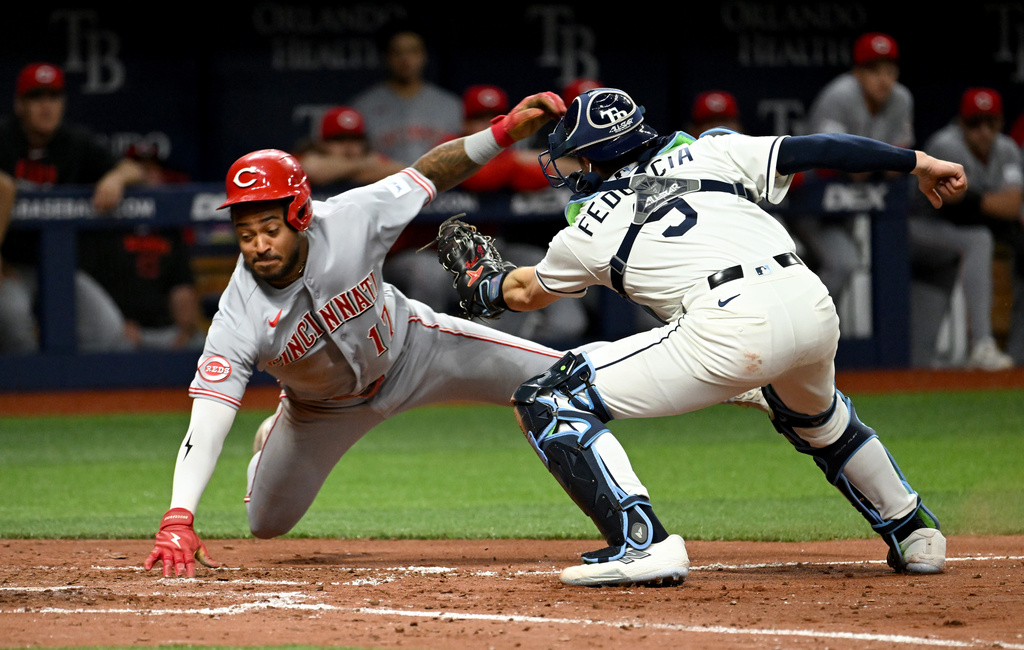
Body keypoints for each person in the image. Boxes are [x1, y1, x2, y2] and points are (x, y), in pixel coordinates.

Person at [442, 87, 954, 587]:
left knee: (548, 398)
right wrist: (919, 162)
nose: (572, 171)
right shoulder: (711, 148)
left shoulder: (589, 225)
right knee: (818, 421)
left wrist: (481, 286)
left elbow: (523, 292)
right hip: (810, 302)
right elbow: (820, 148)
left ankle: (641, 543)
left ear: (597, 157)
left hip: (728, 325)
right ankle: (914, 531)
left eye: (576, 159)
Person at [141, 90, 573, 579]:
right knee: (265, 523)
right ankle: (272, 436)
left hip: (416, 350)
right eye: (245, 233)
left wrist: (499, 134)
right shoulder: (237, 315)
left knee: (565, 380)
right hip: (320, 410)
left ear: (299, 214)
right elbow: (209, 418)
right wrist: (179, 514)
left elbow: (428, 173)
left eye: (269, 227)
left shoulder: (352, 218)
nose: (258, 246)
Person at [0, 62, 146, 354]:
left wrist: (115, 178)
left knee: (109, 332)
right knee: (13, 323)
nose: (46, 107)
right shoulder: (4, 138)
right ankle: (30, 397)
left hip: (58, 267)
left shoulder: (74, 142)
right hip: (10, 268)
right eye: (36, 98)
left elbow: (134, 169)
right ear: (19, 105)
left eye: (53, 98)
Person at [789, 32, 914, 313]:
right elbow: (832, 161)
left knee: (836, 264)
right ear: (857, 72)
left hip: (845, 205)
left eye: (890, 70)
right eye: (874, 70)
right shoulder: (839, 95)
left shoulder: (901, 99)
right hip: (809, 200)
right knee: (842, 262)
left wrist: (864, 162)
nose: (884, 79)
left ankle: (804, 336)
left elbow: (896, 165)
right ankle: (799, 330)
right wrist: (874, 163)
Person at [908, 88, 1019, 370]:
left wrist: (976, 199)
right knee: (979, 240)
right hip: (916, 228)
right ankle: (982, 344)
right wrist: (988, 200)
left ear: (1000, 123)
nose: (983, 131)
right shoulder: (946, 144)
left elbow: (1011, 205)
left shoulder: (1006, 149)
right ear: (962, 123)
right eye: (974, 123)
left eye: (990, 122)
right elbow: (952, 197)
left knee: (919, 359)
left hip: (949, 240)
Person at [349, 23, 463, 166]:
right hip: (385, 184)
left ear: (424, 55)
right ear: (386, 57)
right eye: (397, 52)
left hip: (440, 185)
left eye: (413, 51)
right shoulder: (362, 106)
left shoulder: (450, 105)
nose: (405, 59)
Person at [294, 105, 404, 189]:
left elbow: (401, 171)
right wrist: (363, 165)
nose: (348, 146)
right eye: (339, 139)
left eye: (355, 139)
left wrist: (339, 172)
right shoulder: (302, 158)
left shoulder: (374, 158)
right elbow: (312, 170)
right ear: (321, 143)